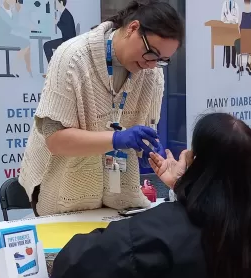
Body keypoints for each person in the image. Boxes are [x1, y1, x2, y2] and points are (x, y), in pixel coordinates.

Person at [51, 113, 251, 278]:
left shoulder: (159, 231)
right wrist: (184, 187)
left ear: (195, 160)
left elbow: (72, 265)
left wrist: (189, 187)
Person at [19, 1, 184, 216]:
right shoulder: (72, 58)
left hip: (117, 198)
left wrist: (148, 150)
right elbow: (56, 141)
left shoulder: (152, 74)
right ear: (133, 28)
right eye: (151, 53)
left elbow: (145, 129)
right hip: (63, 191)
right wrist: (116, 139)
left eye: (162, 60)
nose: (152, 65)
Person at [0, 0, 32, 77]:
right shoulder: (1, 11)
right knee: (26, 44)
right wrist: (17, 12)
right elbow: (14, 26)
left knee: (26, 43)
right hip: (2, 38)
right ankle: (16, 67)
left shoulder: (9, 10)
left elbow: (15, 24)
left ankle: (28, 69)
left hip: (7, 35)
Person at [235, 0, 251, 76]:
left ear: (244, 3)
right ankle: (248, 64)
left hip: (243, 43)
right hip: (250, 43)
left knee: (236, 43)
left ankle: (240, 66)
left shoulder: (241, 15)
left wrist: (242, 34)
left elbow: (238, 28)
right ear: (250, 4)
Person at [221, 0, 239, 68]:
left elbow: (237, 18)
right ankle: (227, 63)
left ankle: (233, 63)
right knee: (227, 44)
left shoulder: (236, 5)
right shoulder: (224, 4)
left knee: (233, 45)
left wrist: (233, 21)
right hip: (226, 27)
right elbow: (222, 17)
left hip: (233, 28)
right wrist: (227, 21)